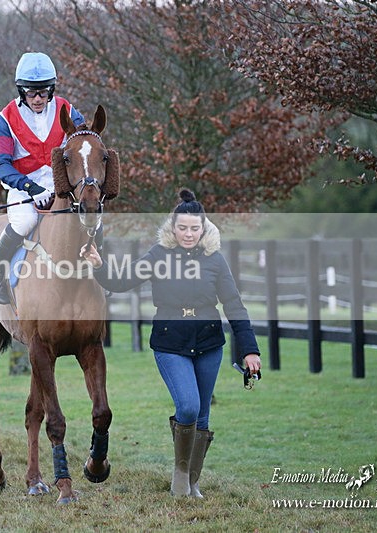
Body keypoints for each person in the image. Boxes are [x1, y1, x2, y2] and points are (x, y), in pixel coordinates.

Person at [81, 189, 262, 498]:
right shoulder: (158, 255)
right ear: (173, 227)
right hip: (170, 342)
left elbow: (234, 304)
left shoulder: (216, 261)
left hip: (209, 343)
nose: (188, 234)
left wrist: (249, 349)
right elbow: (122, 281)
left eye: (194, 228)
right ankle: (180, 479)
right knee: (188, 407)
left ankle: (193, 483)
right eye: (182, 228)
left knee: (203, 415)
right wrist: (99, 265)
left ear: (203, 227)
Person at [0, 51, 86, 304]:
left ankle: (101, 274)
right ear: (21, 91)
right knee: (24, 223)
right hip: (23, 188)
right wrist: (31, 188)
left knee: (89, 220)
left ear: (51, 89)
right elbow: (1, 164)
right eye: (31, 92)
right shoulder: (6, 117)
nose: (38, 98)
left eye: (44, 91)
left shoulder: (68, 111)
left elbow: (86, 146)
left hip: (63, 189)